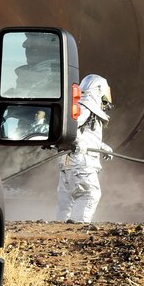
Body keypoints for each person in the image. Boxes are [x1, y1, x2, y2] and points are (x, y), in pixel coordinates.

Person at [57, 74, 114, 223]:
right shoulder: (85, 109)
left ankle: (62, 228)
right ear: (98, 91)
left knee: (68, 198)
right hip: (81, 162)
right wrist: (77, 142)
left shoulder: (82, 109)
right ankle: (77, 227)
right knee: (90, 194)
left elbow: (84, 134)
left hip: (70, 162)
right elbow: (67, 130)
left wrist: (102, 147)